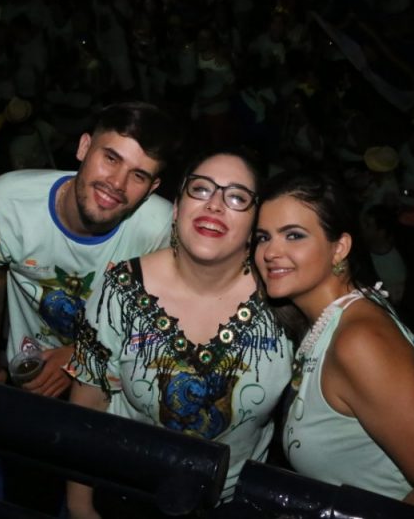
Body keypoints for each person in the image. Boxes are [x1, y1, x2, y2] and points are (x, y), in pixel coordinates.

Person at [66, 150, 293, 517]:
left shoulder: (284, 300)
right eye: (200, 189)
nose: (215, 204)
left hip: (233, 506)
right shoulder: (120, 289)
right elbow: (88, 402)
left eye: (237, 197)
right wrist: (79, 505)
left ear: (256, 225)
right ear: (176, 209)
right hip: (126, 492)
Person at [254, 170, 414, 517]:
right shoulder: (339, 317)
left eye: (294, 235)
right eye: (263, 237)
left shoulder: (359, 342)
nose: (271, 251)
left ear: (339, 248)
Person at [0, 102, 177, 397]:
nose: (117, 183)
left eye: (138, 175)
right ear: (84, 147)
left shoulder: (160, 227)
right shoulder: (10, 200)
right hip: (30, 375)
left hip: (113, 384)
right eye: (111, 158)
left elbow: (166, 313)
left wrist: (82, 354)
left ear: (151, 189)